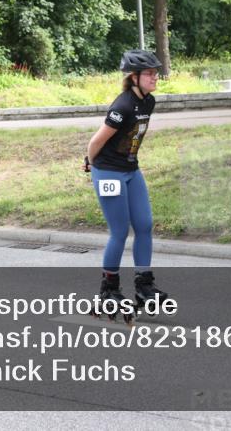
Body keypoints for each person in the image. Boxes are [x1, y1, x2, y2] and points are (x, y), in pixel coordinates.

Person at [84, 49, 168, 319]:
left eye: (156, 73)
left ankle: (144, 285)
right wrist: (90, 164)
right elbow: (96, 141)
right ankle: (108, 289)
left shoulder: (149, 101)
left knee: (144, 225)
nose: (155, 77)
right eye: (149, 74)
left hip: (131, 170)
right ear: (134, 77)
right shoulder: (121, 107)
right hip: (108, 173)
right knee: (119, 231)